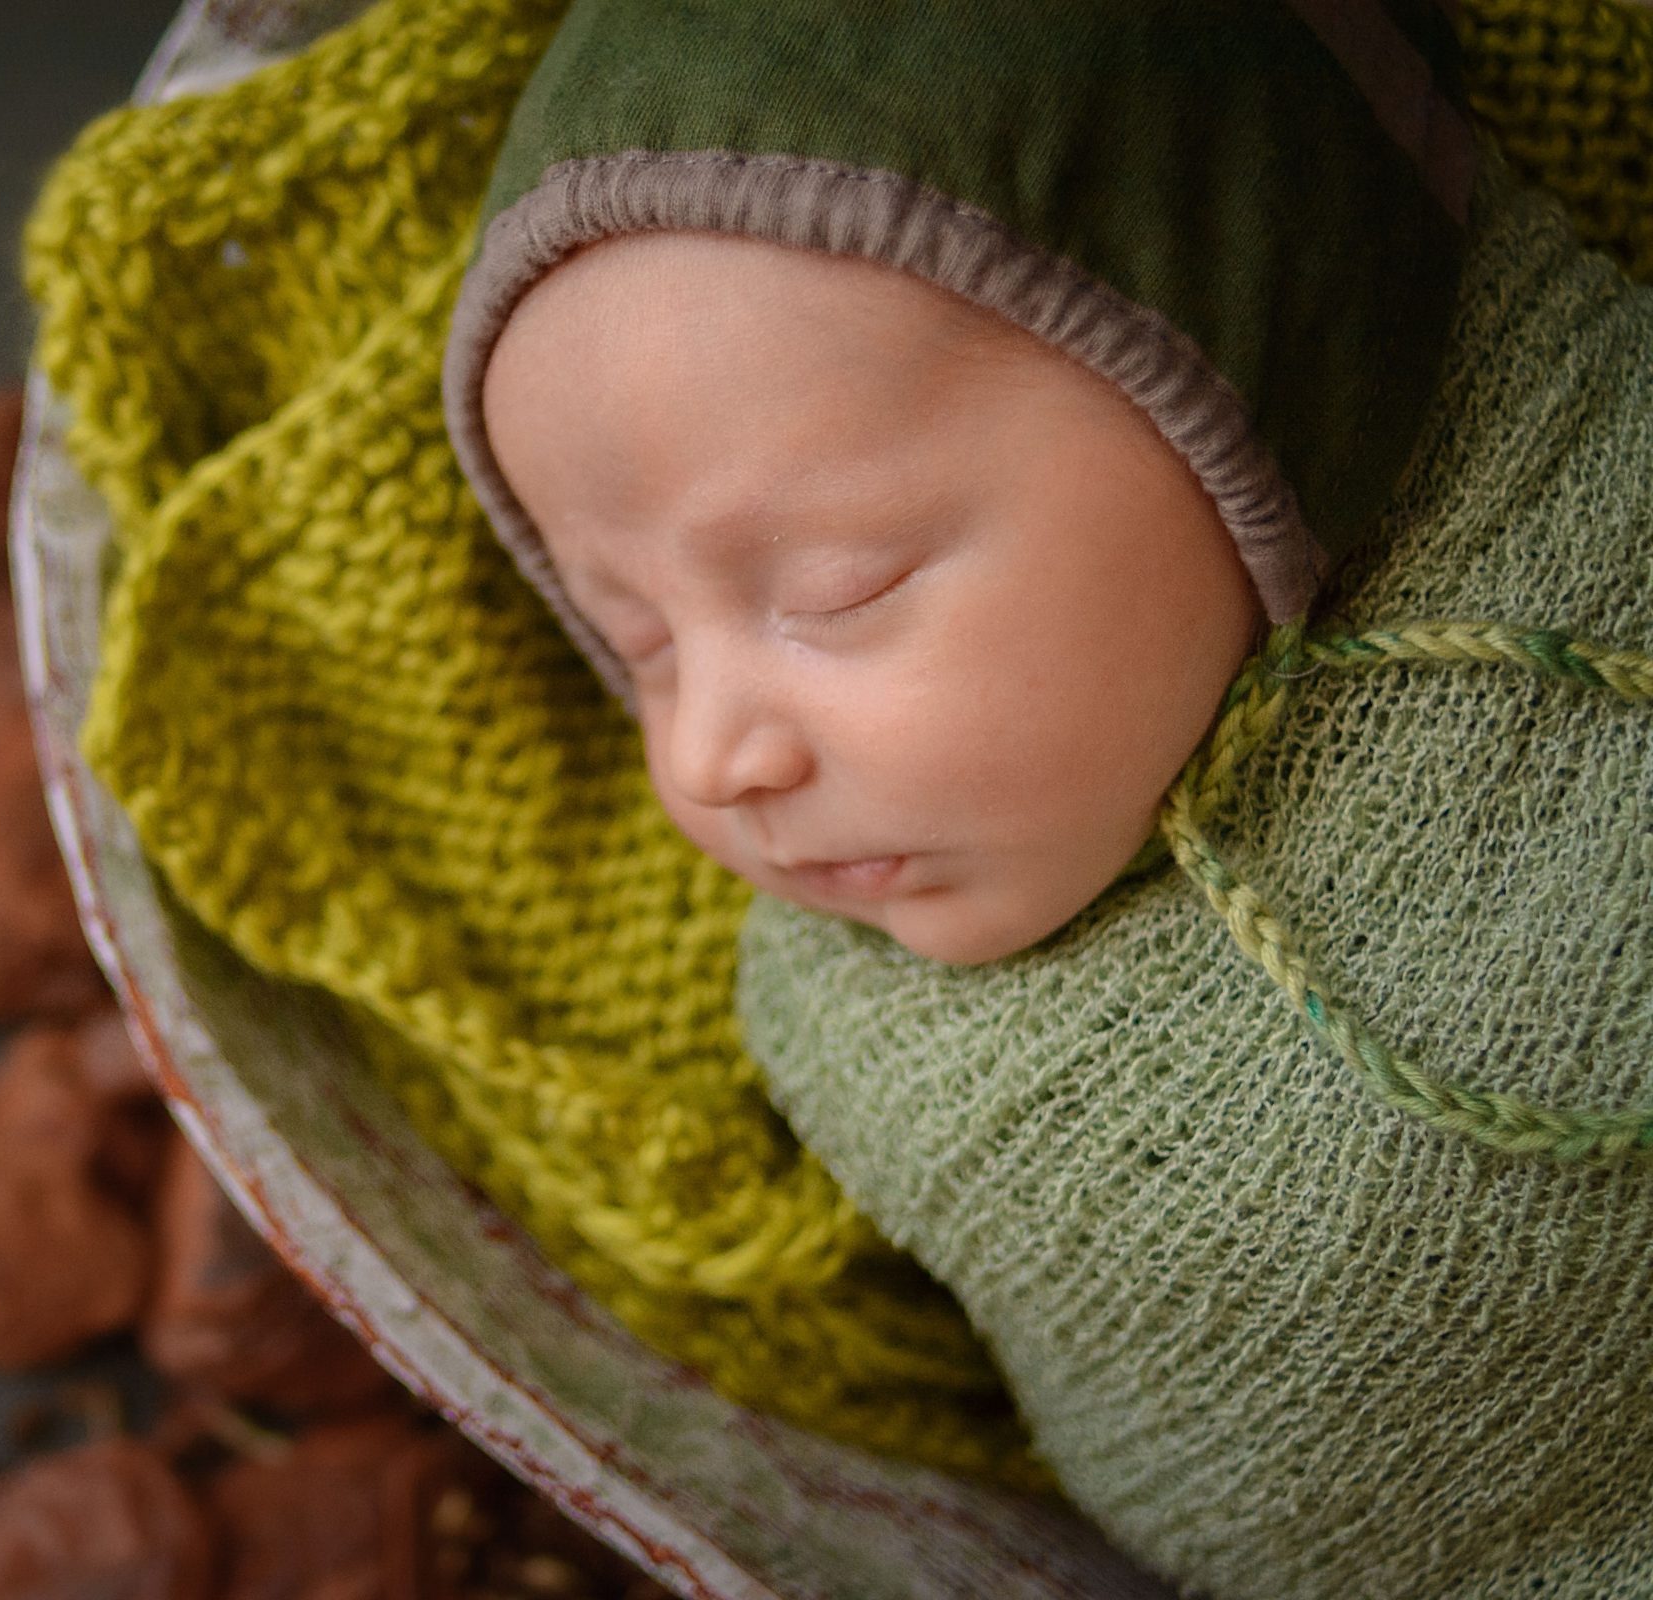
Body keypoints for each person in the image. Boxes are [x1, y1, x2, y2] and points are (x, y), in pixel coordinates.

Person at [441, 2, 1653, 1597]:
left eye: (836, 587)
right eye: (634, 643)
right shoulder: (861, 1039)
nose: (705, 757)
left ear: (1238, 399)